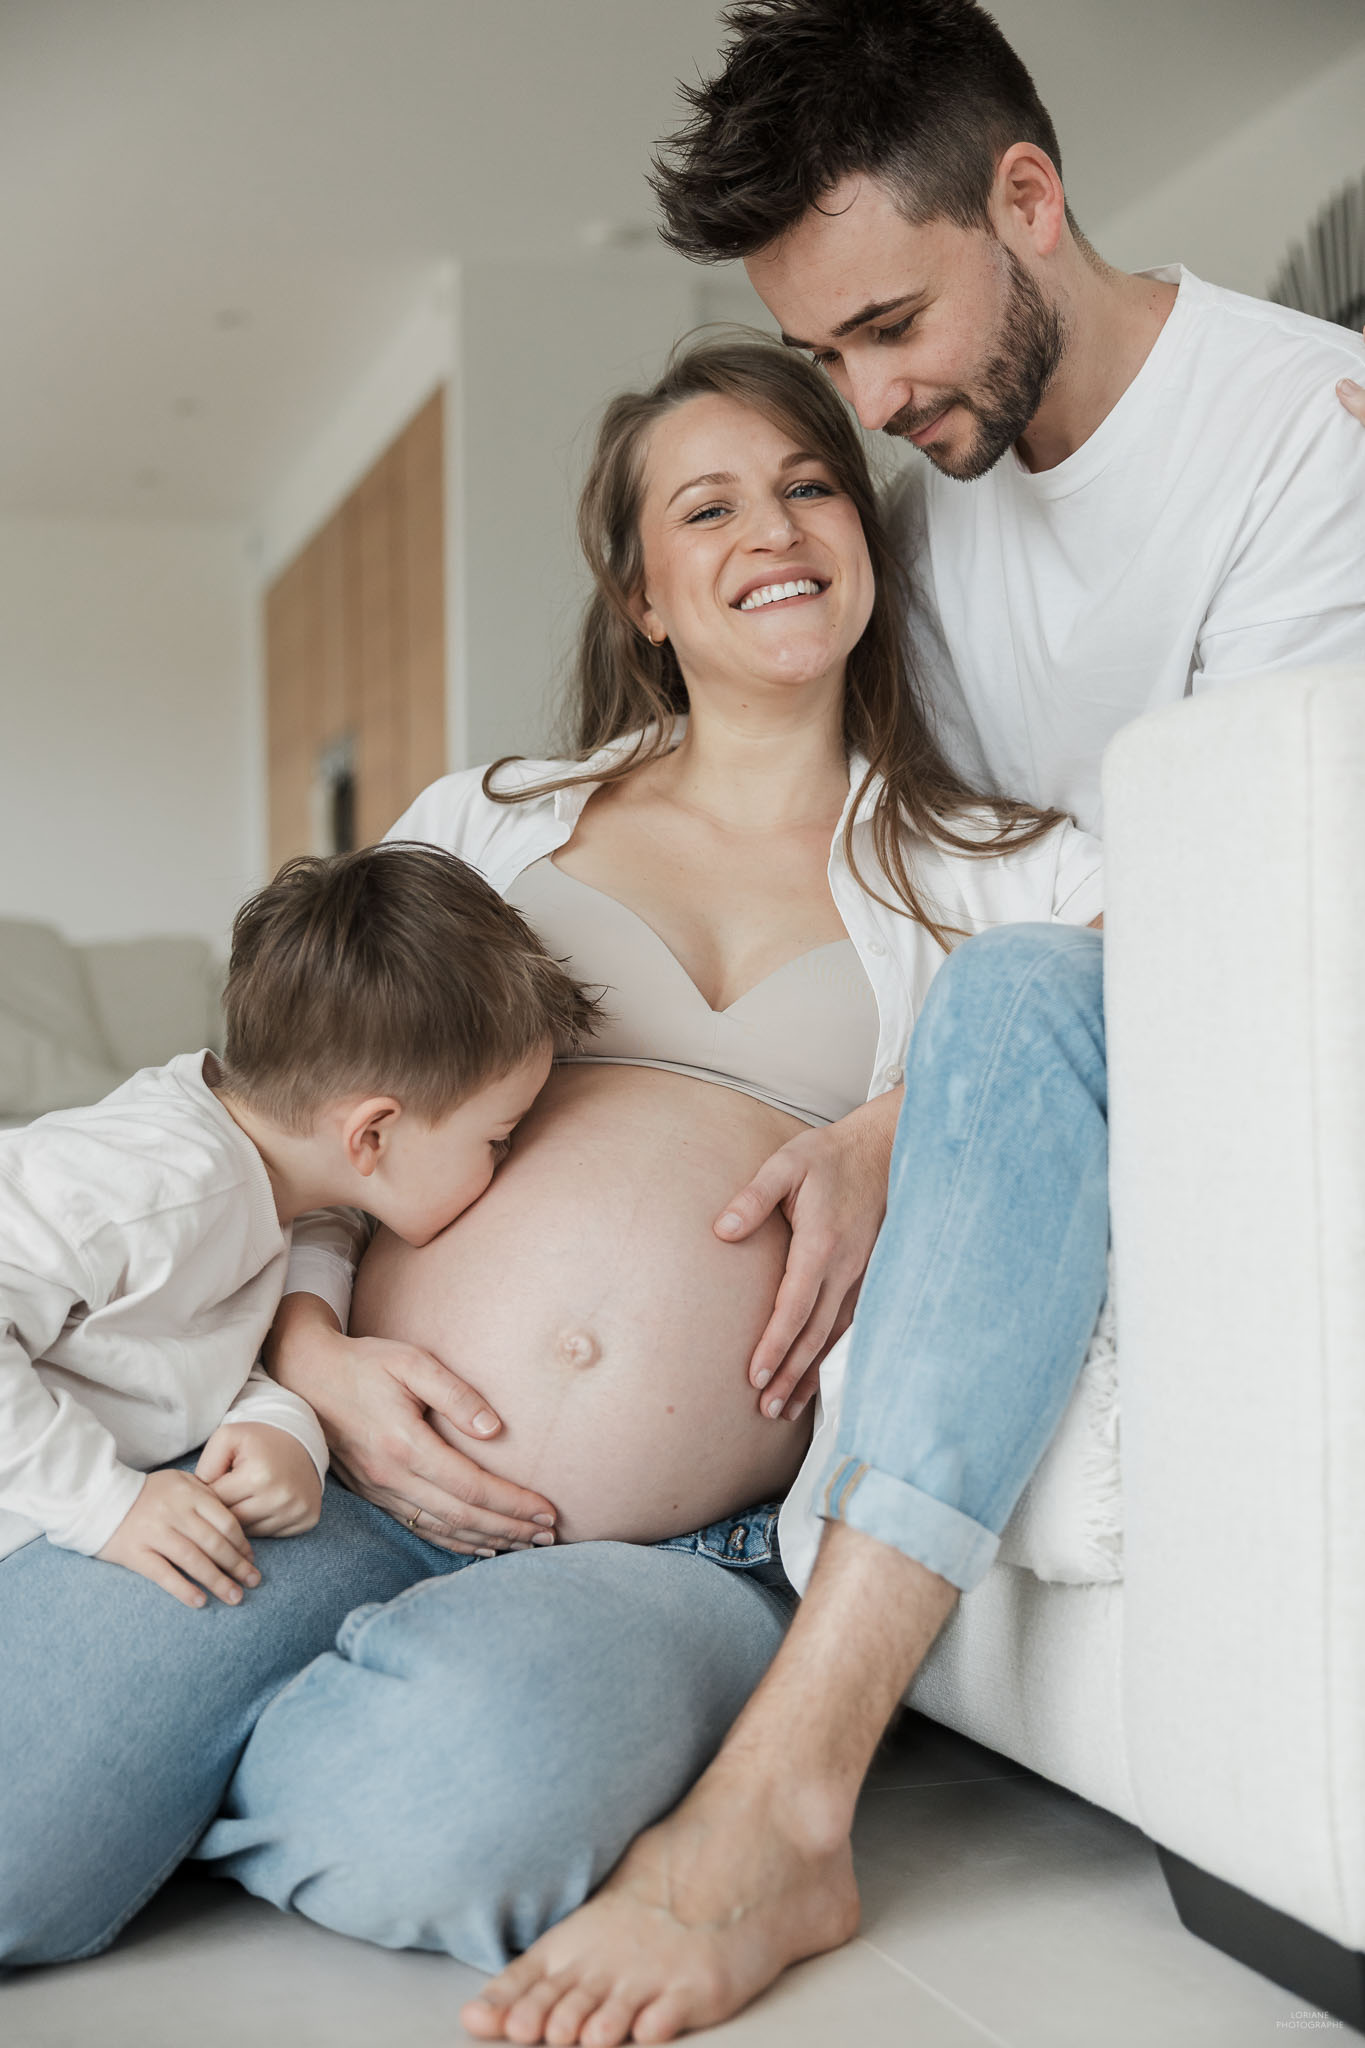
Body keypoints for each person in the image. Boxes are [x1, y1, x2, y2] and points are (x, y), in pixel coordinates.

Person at [457, 3, 1365, 2041]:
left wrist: (906, 1111)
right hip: (1040, 1089)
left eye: (884, 328)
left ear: (1024, 201)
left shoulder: (1305, 439)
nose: (864, 403)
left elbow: (1266, 883)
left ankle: (789, 1793)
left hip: (1271, 1059)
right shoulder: (935, 502)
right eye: (830, 355)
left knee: (1024, 988)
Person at [0, 337, 1099, 1980]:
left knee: (446, 1807)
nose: (775, 531)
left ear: (865, 536)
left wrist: (893, 1127)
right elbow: (307, 1117)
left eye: (811, 486)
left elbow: (1156, 973)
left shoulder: (989, 867)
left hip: (673, 1545)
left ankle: (325, 1736)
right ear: (643, 592)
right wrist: (320, 1355)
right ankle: (258, 1723)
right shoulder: (494, 820)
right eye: (708, 506)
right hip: (339, 1469)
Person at [0, 843, 587, 1610]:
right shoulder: (162, 1187)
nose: (508, 1161)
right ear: (371, 1137)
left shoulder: (271, 1198)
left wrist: (287, 1431)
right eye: (499, 1136)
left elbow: (176, 1351)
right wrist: (105, 1504)